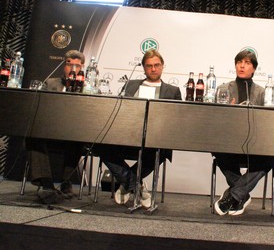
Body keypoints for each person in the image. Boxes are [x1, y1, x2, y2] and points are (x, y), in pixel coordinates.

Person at [98, 49, 182, 208]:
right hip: (126, 135)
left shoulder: (172, 91)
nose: (153, 69)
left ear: (163, 66)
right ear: (143, 67)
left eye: (157, 65)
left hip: (154, 139)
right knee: (102, 146)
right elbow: (120, 109)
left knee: (159, 150)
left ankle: (128, 184)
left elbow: (176, 120)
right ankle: (137, 186)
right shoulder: (131, 85)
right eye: (149, 66)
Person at [213, 50, 274, 216]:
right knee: (216, 147)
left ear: (254, 69)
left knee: (272, 155)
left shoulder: (263, 92)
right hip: (230, 144)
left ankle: (234, 195)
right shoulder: (223, 89)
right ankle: (241, 194)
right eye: (239, 62)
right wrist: (228, 111)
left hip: (254, 145)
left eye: (247, 63)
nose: (242, 66)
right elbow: (214, 119)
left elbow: (269, 122)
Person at [27, 49, 86, 204]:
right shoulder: (50, 83)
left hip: (73, 134)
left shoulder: (88, 87)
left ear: (83, 68)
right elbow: (39, 107)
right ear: (63, 66)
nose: (73, 69)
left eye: (77, 66)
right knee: (32, 134)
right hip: (50, 132)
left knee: (79, 135)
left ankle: (66, 182)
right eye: (69, 65)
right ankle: (46, 184)